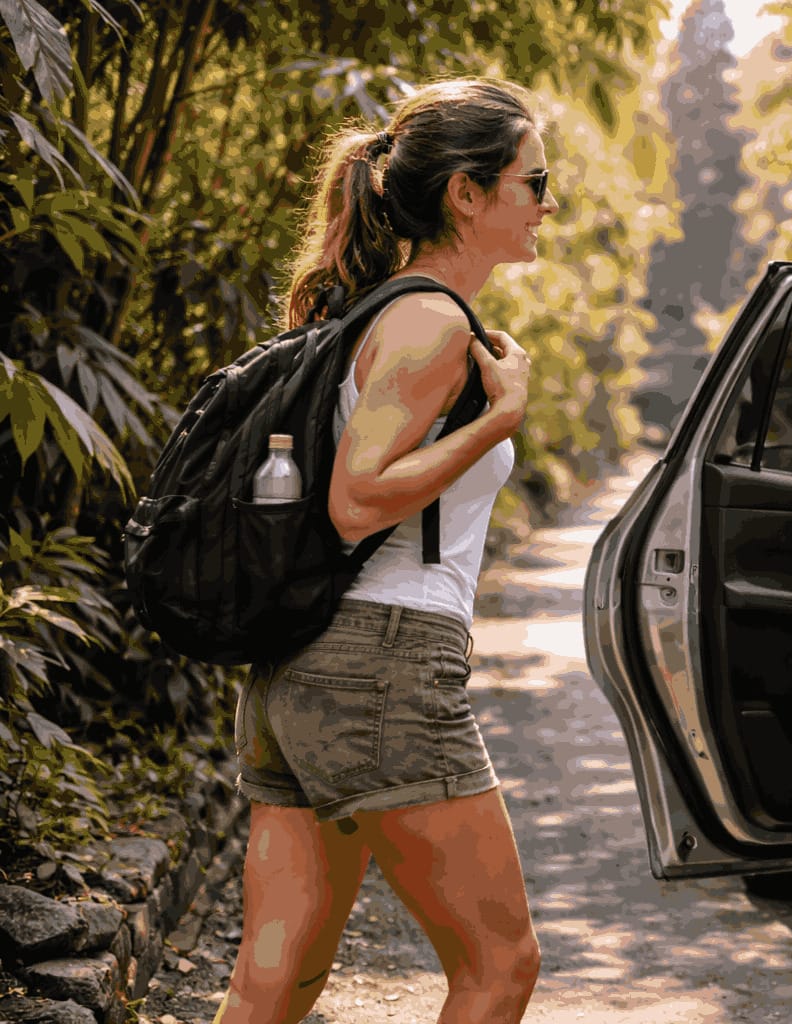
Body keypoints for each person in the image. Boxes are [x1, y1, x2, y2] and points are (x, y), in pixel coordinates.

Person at [214, 78, 556, 1024]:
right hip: (384, 662)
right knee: (501, 966)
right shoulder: (432, 321)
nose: (548, 201)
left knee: (272, 981)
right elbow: (357, 499)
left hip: (303, 668)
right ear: (468, 193)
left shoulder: (377, 312)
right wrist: (504, 420)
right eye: (535, 179)